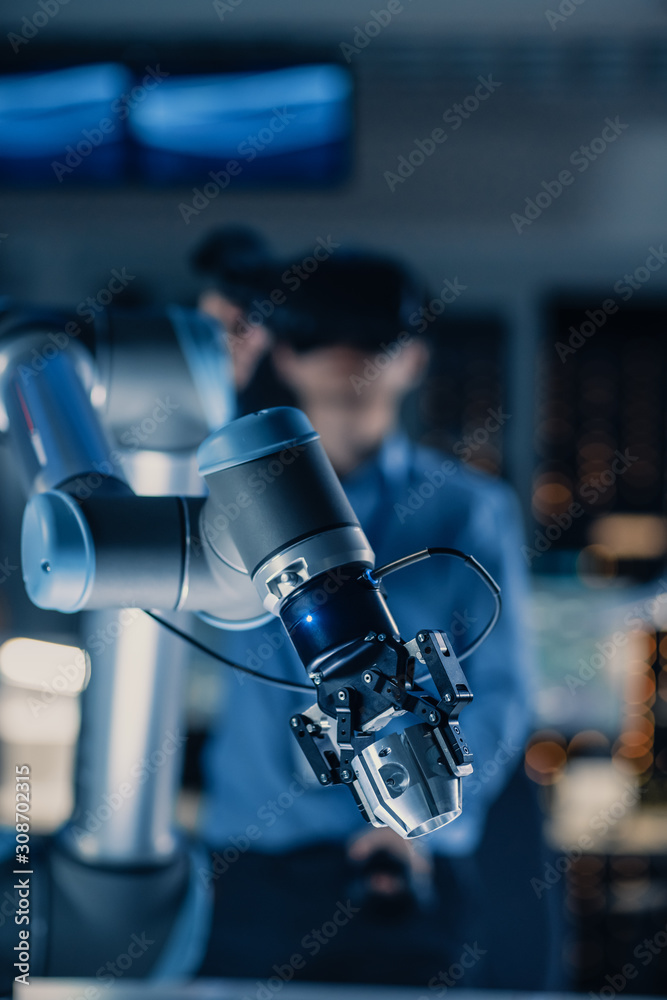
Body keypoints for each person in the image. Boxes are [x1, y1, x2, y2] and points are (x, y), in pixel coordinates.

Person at [195, 242, 552, 987]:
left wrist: (420, 815)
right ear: (283, 354)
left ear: (413, 357)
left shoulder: (469, 511)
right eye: (318, 335)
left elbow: (503, 692)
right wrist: (203, 380)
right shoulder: (227, 505)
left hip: (413, 870)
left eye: (370, 338)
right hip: (260, 870)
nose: (346, 357)